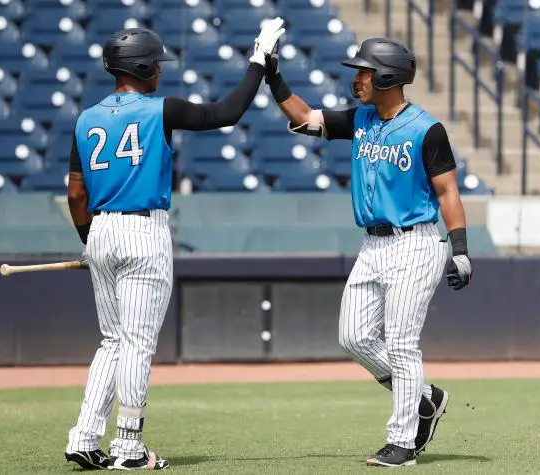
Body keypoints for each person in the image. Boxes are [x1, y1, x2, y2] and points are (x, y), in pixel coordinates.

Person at [64, 20, 285, 471]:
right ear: (141, 66)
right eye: (156, 64)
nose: (160, 71)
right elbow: (227, 113)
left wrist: (90, 241)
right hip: (144, 230)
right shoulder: (159, 110)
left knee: (112, 341)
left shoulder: (86, 119)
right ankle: (128, 448)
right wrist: (259, 61)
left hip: (101, 228)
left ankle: (84, 437)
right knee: (137, 343)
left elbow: (75, 193)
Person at [264, 37, 472, 467]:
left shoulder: (426, 129)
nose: (356, 78)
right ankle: (425, 397)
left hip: (415, 241)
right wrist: (273, 75)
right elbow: (303, 117)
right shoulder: (360, 120)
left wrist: (462, 250)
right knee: (353, 337)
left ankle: (403, 440)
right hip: (373, 243)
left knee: (401, 344)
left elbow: (447, 190)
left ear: (388, 76)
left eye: (364, 71)